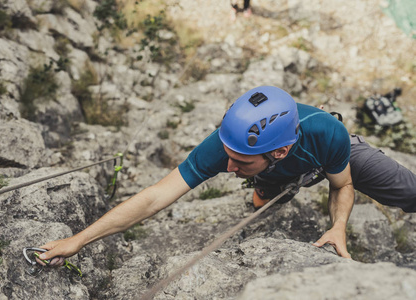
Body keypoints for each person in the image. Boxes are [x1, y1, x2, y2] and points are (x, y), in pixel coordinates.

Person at [38, 86, 416, 264]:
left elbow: (343, 184)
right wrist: (80, 239)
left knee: (408, 191)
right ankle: (265, 187)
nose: (229, 168)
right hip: (276, 171)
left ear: (280, 150)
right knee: (262, 197)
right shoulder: (226, 147)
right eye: (228, 157)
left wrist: (338, 226)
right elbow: (155, 196)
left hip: (329, 156)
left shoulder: (326, 134)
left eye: (241, 163)